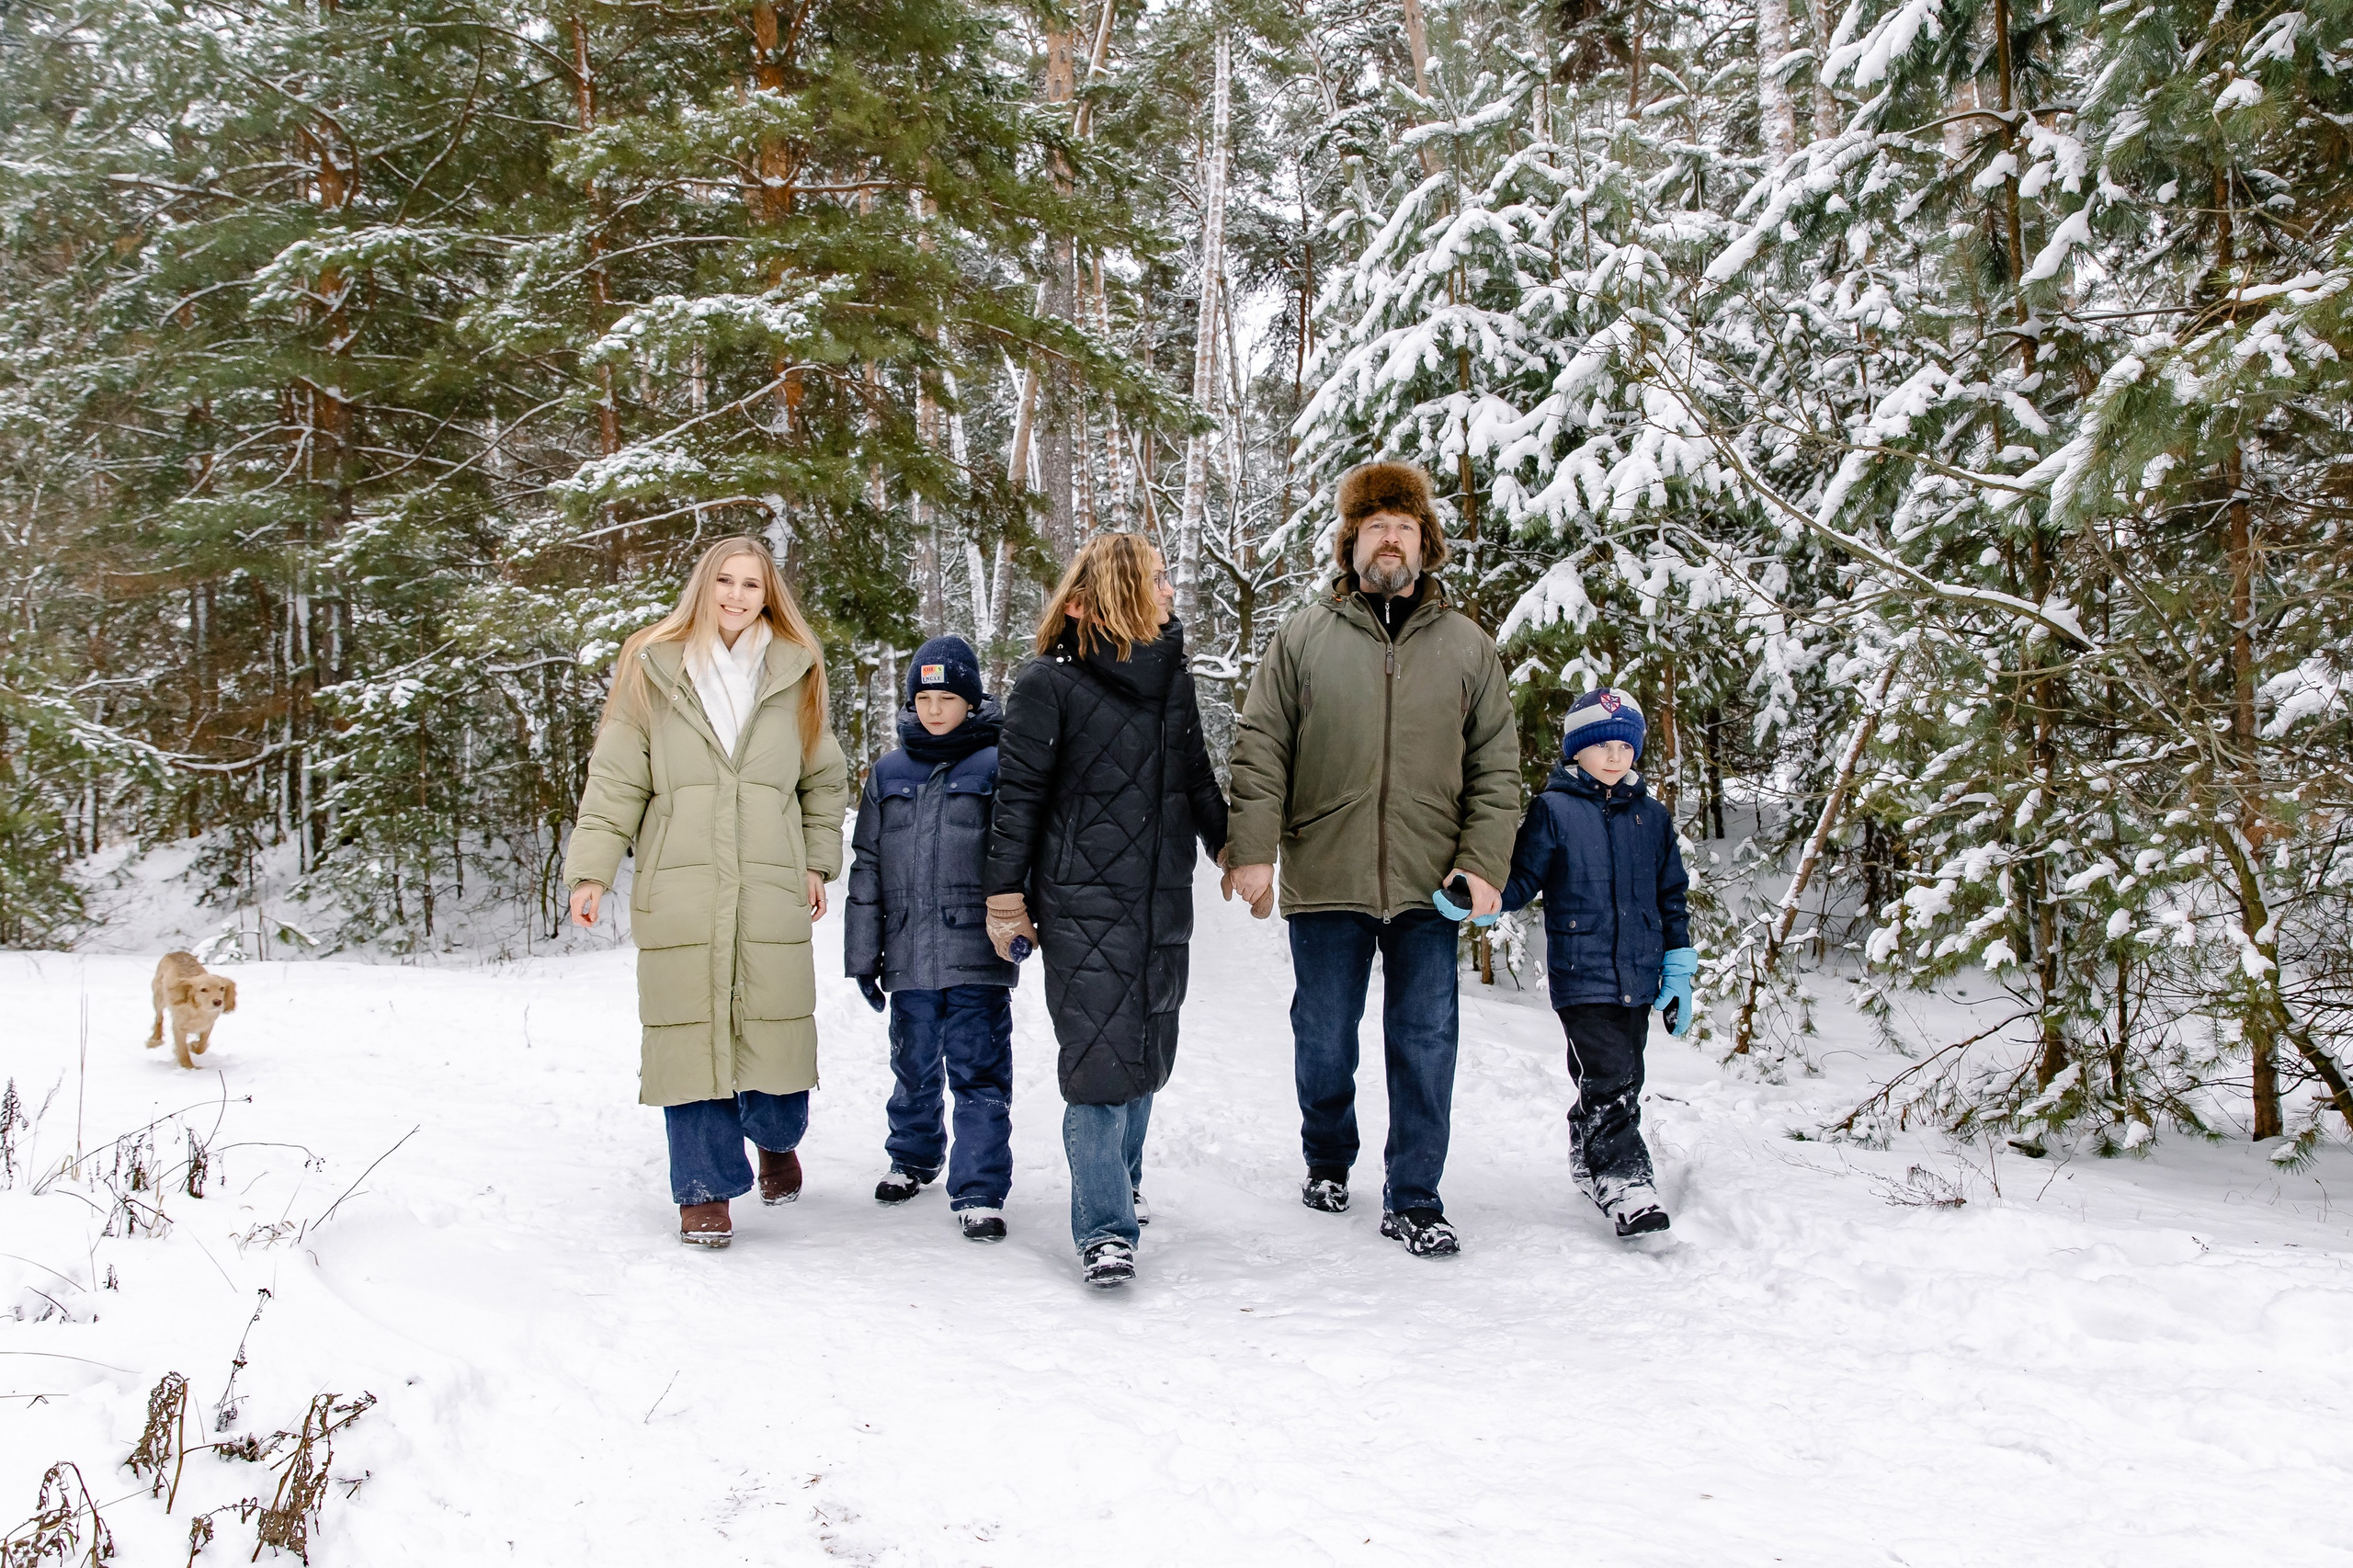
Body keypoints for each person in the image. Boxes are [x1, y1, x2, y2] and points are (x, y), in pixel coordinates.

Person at [1224, 460, 1520, 1258]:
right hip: (1327, 871)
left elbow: (1497, 768)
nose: (1391, 541)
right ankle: (1328, 1158)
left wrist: (1484, 862)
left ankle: (1415, 1194)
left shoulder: (1467, 647)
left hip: (1433, 884)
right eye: (1376, 526)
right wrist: (1252, 850)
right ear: (1350, 540)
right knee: (1323, 1037)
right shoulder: (1303, 637)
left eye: (1405, 527)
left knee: (1425, 1041)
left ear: (1426, 544)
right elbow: (1261, 748)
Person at [563, 536, 849, 1250]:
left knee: (776, 1035)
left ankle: (776, 1139)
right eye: (724, 580)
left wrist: (816, 860)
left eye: (751, 584)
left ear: (768, 595)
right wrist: (592, 870)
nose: (735, 595)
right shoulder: (653, 667)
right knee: (687, 1036)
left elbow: (824, 778)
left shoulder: (795, 669)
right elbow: (617, 778)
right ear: (702, 585)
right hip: (682, 883)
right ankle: (703, 1191)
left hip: (768, 884)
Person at [983, 533, 1228, 1289]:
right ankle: (1105, 1228)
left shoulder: (1172, 683)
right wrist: (1004, 899)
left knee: (1146, 1051)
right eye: (1155, 580)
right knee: (1097, 1063)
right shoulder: (1048, 686)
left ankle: (1122, 1183)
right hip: (1082, 901)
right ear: (1118, 592)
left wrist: (1235, 853)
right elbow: (1015, 800)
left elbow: (1194, 779)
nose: (1169, 592)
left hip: (1162, 899)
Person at [1498, 687, 1694, 1237]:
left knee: (1622, 1075)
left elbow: (1670, 894)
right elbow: (1523, 878)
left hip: (1640, 971)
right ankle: (1626, 1185)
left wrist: (1677, 968)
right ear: (1575, 752)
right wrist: (1483, 897)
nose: (1614, 757)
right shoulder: (1553, 810)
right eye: (1601, 746)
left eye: (1624, 747)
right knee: (1611, 1075)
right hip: (1581, 973)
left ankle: (1589, 1159)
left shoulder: (1652, 817)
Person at [845, 635, 1018, 1244]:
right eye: (924, 697)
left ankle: (979, 1190)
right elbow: (866, 865)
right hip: (911, 954)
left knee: (978, 1070)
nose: (935, 709)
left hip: (978, 953)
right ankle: (913, 1158)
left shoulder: (998, 765)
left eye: (948, 697)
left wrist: (1022, 924)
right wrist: (864, 955)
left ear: (970, 703)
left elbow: (1020, 854)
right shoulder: (888, 773)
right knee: (913, 1064)